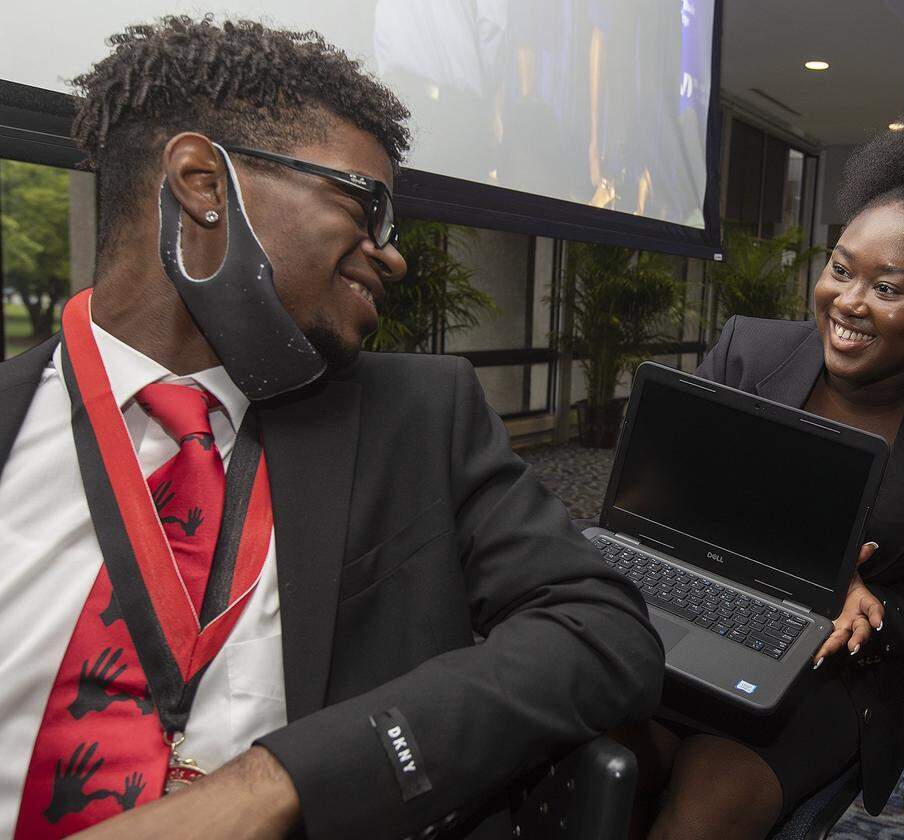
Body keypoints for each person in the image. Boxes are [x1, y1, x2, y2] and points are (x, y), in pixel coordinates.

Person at [0, 17, 664, 839]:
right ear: (203, 183)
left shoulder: (419, 417)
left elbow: (604, 634)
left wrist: (273, 782)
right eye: (363, 205)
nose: (394, 256)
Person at [616, 113, 904, 840]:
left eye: (887, 287)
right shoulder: (748, 352)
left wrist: (869, 605)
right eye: (841, 270)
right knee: (591, 768)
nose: (849, 302)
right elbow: (659, 497)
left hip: (829, 679)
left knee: (695, 822)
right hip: (684, 618)